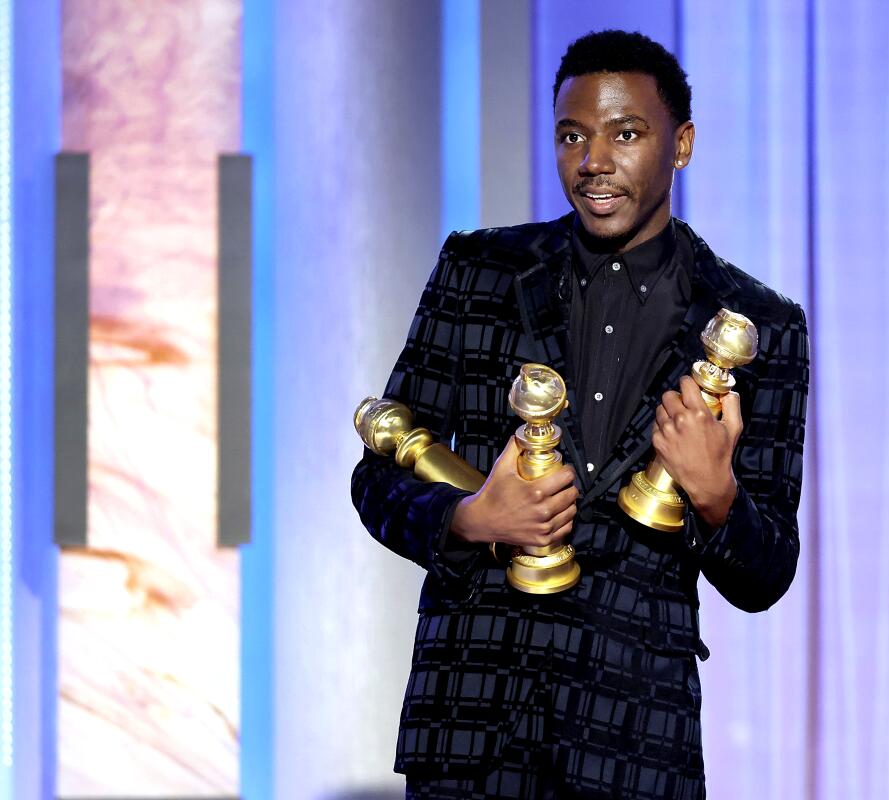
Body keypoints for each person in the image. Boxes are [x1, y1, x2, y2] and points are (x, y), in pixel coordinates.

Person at [351, 29, 809, 800]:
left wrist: (716, 495)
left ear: (682, 143)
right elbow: (376, 478)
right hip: (470, 726)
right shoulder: (478, 271)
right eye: (573, 135)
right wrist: (470, 519)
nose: (594, 160)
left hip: (636, 736)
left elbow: (769, 572)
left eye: (625, 133)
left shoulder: (757, 322)